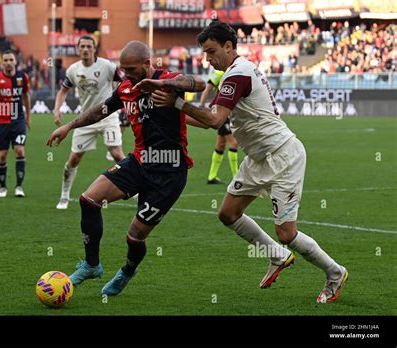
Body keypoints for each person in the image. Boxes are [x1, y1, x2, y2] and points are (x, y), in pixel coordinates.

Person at [137, 21, 348, 303]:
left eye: (211, 52)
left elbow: (214, 121)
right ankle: (277, 256)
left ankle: (335, 272)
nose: (208, 59)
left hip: (283, 156)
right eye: (204, 53)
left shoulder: (237, 75)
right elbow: (208, 117)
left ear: (228, 46)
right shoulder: (234, 74)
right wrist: (159, 112)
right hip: (259, 158)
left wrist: (176, 104)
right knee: (227, 213)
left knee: (286, 232)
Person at [47, 40, 205, 296]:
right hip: (140, 162)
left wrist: (162, 84)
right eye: (123, 69)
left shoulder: (168, 80)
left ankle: (127, 271)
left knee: (134, 236)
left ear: (147, 63)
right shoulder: (126, 88)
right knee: (88, 200)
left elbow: (199, 83)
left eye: (131, 69)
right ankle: (91, 265)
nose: (126, 74)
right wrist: (69, 126)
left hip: (170, 172)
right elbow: (101, 110)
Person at [53, 35, 126, 209]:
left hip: (108, 116)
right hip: (85, 119)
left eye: (89, 46)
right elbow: (63, 91)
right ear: (78, 49)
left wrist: (123, 105)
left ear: (94, 49)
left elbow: (124, 82)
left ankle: (135, 191)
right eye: (82, 46)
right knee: (74, 159)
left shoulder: (107, 66)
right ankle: (64, 195)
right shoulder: (73, 70)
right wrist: (57, 109)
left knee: (117, 154)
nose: (85, 49)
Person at [0, 50, 31, 198]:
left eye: (11, 59)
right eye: (5, 60)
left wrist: (28, 118)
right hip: (2, 122)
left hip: (18, 120)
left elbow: (25, 96)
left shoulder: (23, 77)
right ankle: (3, 187)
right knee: (3, 154)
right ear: (2, 62)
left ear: (15, 61)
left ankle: (19, 186)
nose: (8, 62)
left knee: (19, 150)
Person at [199, 69, 239, 184]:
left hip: (226, 112)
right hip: (221, 112)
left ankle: (212, 177)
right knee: (234, 143)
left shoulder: (233, 74)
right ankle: (236, 177)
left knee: (220, 145)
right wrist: (202, 105)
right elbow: (208, 87)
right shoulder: (220, 73)